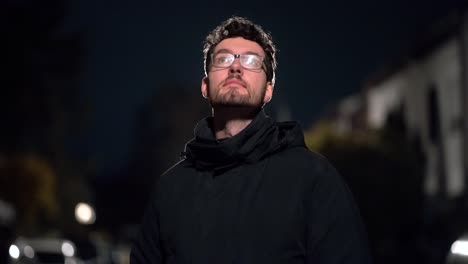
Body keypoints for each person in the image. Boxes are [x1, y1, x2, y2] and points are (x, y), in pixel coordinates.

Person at [130, 16, 371, 264]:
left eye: (251, 60)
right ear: (205, 86)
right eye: (223, 59)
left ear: (268, 89)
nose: (235, 67)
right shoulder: (170, 189)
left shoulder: (313, 178)